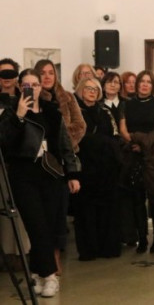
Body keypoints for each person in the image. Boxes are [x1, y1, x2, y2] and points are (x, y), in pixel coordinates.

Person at [1, 69, 81, 298]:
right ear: (19, 87)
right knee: (36, 226)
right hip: (23, 175)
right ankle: (50, 275)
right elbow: (4, 141)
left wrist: (72, 173)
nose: (31, 89)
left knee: (49, 226)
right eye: (26, 85)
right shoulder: (11, 112)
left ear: (40, 87)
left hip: (51, 174)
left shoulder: (52, 112)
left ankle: (37, 274)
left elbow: (64, 144)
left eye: (35, 85)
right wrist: (18, 116)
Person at [34, 59, 86, 276]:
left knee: (58, 215)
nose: (47, 77)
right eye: (43, 73)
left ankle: (55, 259)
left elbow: (79, 125)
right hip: (37, 163)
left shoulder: (67, 97)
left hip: (62, 161)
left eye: (51, 72)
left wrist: (60, 140)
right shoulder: (33, 99)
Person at [119, 70, 154, 253]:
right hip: (133, 155)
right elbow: (123, 130)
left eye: (148, 82)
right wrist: (134, 143)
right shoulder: (126, 104)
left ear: (153, 85)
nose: (144, 84)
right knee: (137, 199)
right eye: (142, 81)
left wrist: (142, 144)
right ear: (137, 84)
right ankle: (142, 238)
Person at [72, 77, 122, 261]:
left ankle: (108, 247)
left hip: (106, 168)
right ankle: (89, 250)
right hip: (84, 167)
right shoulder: (74, 111)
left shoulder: (105, 111)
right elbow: (73, 138)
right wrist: (98, 141)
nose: (92, 92)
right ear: (80, 90)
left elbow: (115, 136)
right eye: (88, 88)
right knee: (86, 211)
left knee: (107, 211)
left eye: (95, 89)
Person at [0, 58, 31, 272]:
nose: (6, 78)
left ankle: (20, 255)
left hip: (23, 161)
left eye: (11, 74)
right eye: (2, 74)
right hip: (2, 162)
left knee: (20, 210)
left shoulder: (25, 99)